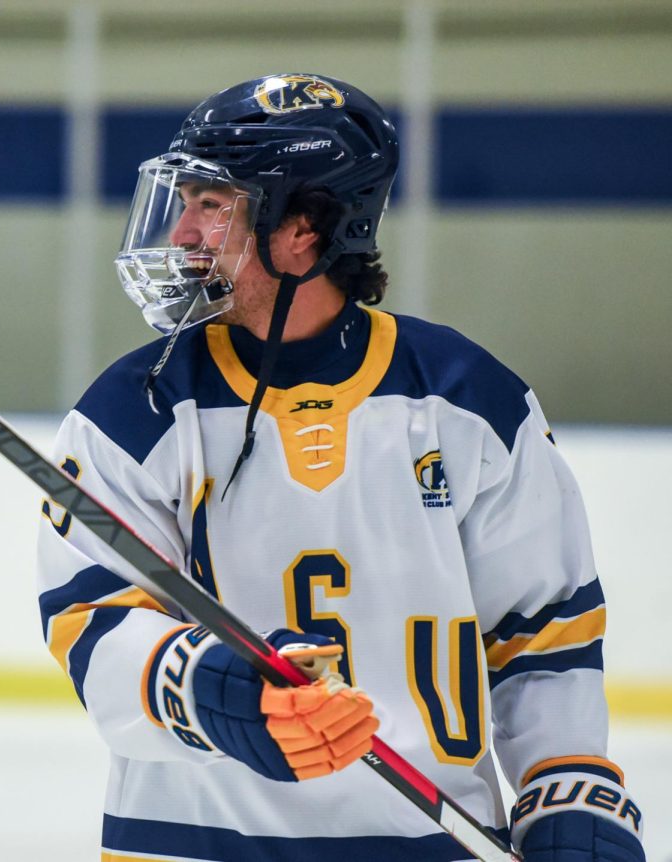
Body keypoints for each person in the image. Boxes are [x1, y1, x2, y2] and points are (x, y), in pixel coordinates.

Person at [36, 74, 644, 862]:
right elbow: (92, 625)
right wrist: (206, 687)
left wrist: (566, 790)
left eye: (213, 206)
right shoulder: (136, 412)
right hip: (191, 844)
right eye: (182, 201)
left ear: (305, 229)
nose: (182, 233)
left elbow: (544, 635)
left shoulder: (470, 404)